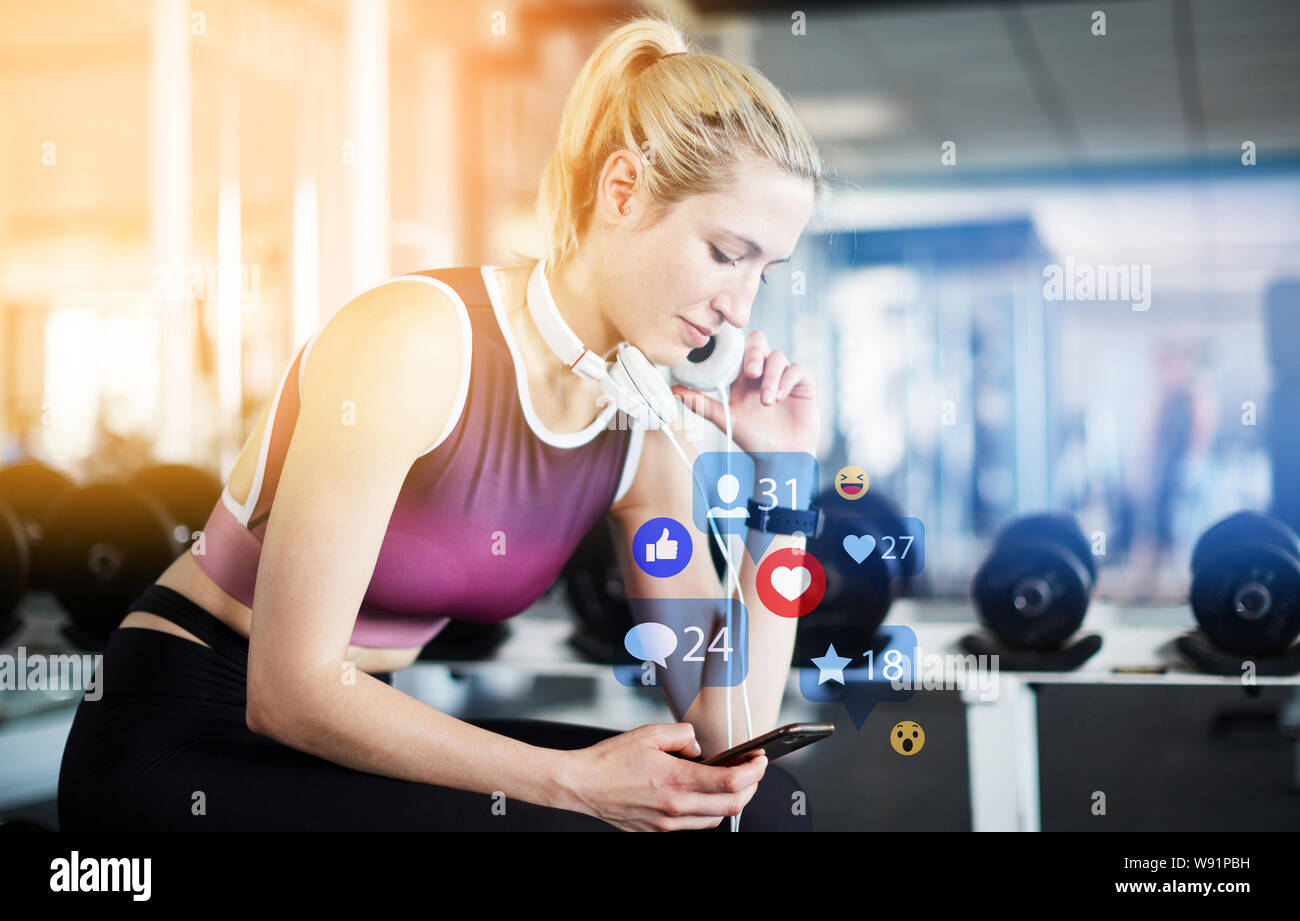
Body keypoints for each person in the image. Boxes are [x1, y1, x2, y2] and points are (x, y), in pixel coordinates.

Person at [58, 17, 827, 831]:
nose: (739, 309)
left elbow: (729, 735)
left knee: (754, 807)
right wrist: (576, 781)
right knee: (580, 815)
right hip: (188, 730)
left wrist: (784, 486)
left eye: (765, 272)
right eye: (725, 253)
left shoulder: (639, 433)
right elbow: (290, 691)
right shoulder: (416, 339)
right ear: (624, 189)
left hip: (350, 742)